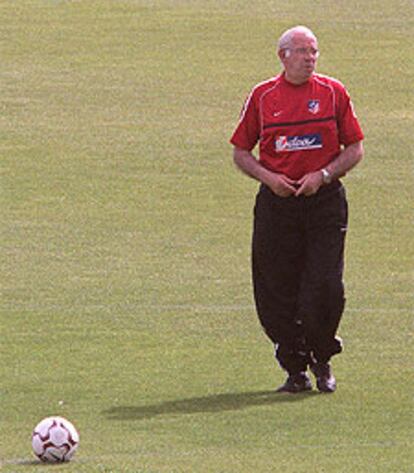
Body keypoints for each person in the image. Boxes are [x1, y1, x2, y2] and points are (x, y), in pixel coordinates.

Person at [230, 25, 364, 393]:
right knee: (275, 288)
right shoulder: (262, 97)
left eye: (314, 51)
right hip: (278, 204)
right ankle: (294, 368)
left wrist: (323, 174)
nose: (310, 58)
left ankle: (323, 358)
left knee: (325, 285)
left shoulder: (333, 93)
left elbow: (355, 148)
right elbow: (241, 152)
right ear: (283, 56)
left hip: (323, 203)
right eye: (302, 51)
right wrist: (268, 178)